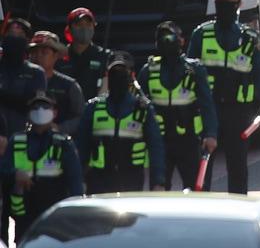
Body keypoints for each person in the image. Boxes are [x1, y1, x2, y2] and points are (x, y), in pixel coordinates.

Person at [187, 0, 260, 195]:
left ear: (238, 5)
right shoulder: (201, 35)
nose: (222, 6)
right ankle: (200, 212)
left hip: (239, 112)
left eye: (227, 2)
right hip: (208, 110)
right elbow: (187, 72)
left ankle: (238, 210)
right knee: (203, 165)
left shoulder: (249, 39)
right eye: (219, 1)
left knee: (238, 166)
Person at [137, 22, 218, 191]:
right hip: (161, 142)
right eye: (162, 39)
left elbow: (207, 104)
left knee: (197, 192)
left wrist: (211, 134)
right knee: (158, 192)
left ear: (181, 41)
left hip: (188, 141)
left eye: (171, 37)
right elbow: (139, 107)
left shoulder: (194, 70)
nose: (167, 42)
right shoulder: (148, 71)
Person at [76, 53, 165, 194]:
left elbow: (156, 146)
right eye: (114, 73)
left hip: (132, 177)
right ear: (108, 77)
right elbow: (81, 145)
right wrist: (78, 180)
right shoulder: (93, 107)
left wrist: (158, 181)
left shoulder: (142, 109)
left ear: (131, 77)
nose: (118, 77)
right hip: (99, 178)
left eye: (123, 73)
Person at [2, 93, 82, 240]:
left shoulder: (63, 143)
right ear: (28, 113)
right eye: (35, 107)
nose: (40, 111)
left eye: (45, 107)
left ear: (54, 113)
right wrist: (15, 174)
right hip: (23, 215)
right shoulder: (17, 141)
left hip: (53, 216)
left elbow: (75, 182)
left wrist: (74, 215)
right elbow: (3, 170)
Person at [27, 33, 84, 137]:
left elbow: (80, 117)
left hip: (58, 142)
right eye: (34, 52)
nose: (38, 56)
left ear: (55, 56)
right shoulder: (22, 81)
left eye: (44, 52)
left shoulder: (69, 85)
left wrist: (59, 128)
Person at [57, 7, 109, 100]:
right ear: (69, 29)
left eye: (88, 24)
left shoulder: (105, 55)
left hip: (91, 110)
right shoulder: (59, 56)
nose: (84, 28)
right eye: (79, 24)